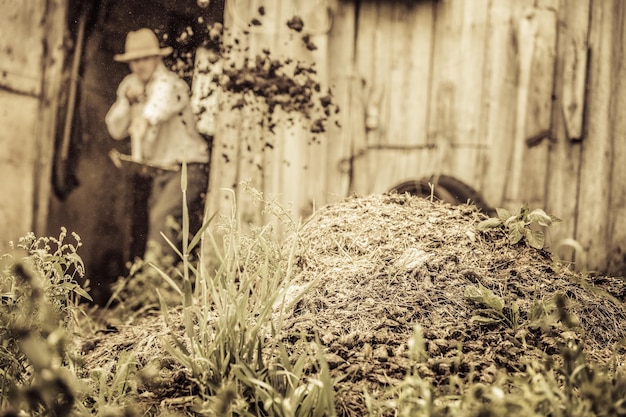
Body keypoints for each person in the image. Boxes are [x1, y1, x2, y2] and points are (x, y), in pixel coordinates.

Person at [105, 28, 210, 265]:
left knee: (162, 217)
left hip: (188, 166)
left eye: (144, 59)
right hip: (162, 169)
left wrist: (144, 118)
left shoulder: (171, 84)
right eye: (134, 60)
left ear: (157, 58)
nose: (139, 65)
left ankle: (154, 280)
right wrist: (127, 103)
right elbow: (115, 127)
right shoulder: (129, 85)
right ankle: (161, 278)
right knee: (157, 220)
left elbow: (159, 106)